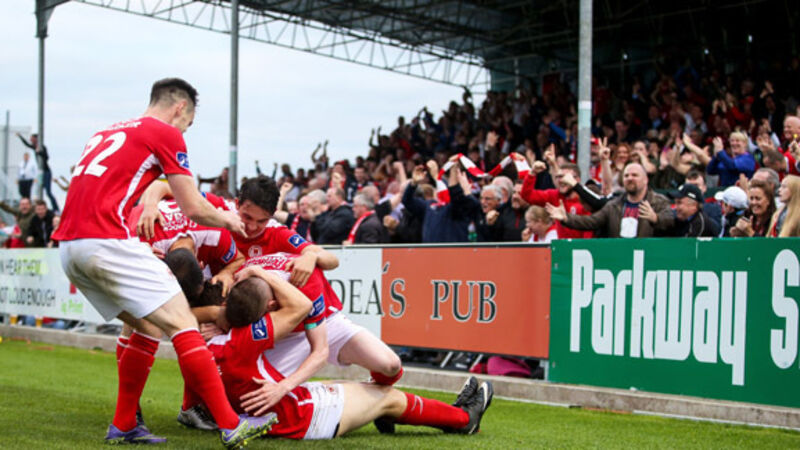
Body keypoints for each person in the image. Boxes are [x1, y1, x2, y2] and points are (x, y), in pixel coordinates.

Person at [50, 78, 276, 447]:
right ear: (180, 108)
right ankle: (232, 424)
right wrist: (228, 220)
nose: (185, 130)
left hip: (70, 247)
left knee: (147, 326)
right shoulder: (165, 132)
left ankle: (124, 424)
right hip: (106, 239)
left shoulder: (105, 132)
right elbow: (193, 206)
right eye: (188, 123)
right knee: (183, 322)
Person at [203, 266, 493, 440]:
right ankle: (464, 420)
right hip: (301, 416)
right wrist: (259, 272)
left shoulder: (208, 341)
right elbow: (302, 305)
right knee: (387, 396)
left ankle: (448, 413)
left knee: (365, 387)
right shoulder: (248, 338)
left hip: (279, 410)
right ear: (268, 309)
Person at [547, 163, 674, 238]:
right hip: (619, 264)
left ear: (646, 179)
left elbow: (671, 221)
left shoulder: (658, 201)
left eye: (634, 175)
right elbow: (591, 221)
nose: (629, 178)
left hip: (649, 262)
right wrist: (567, 218)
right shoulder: (614, 204)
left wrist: (656, 219)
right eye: (626, 175)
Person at [17, 132, 59, 211]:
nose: (31, 140)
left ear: (36, 139)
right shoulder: (34, 147)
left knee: (48, 192)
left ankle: (55, 208)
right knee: (37, 191)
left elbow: (46, 157)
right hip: (40, 172)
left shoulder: (42, 147)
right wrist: (20, 136)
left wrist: (39, 152)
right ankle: (39, 208)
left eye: (32, 139)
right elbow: (27, 144)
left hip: (46, 172)